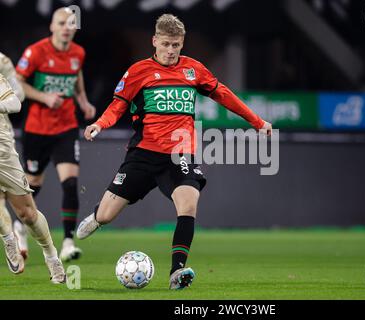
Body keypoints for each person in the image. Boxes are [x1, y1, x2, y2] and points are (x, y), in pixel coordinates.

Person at [76, 13, 272, 290]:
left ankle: (176, 272)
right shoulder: (138, 72)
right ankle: (96, 218)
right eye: (166, 44)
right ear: (155, 41)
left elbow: (224, 95)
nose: (171, 51)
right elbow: (117, 106)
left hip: (180, 154)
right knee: (107, 215)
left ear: (182, 43)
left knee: (189, 204)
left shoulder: (194, 70)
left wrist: (258, 122)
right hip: (143, 154)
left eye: (176, 45)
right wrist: (99, 124)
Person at [15, 7, 96, 262]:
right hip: (37, 129)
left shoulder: (77, 53)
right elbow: (16, 82)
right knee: (33, 184)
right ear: (52, 26)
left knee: (70, 183)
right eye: (61, 23)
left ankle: (68, 242)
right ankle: (20, 225)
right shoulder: (36, 52)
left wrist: (83, 101)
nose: (66, 27)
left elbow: (77, 75)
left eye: (71, 23)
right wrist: (44, 97)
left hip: (66, 127)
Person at [0, 64, 66, 284]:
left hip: (3, 154)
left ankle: (51, 256)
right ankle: (9, 238)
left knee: (27, 213)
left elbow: (14, 103)